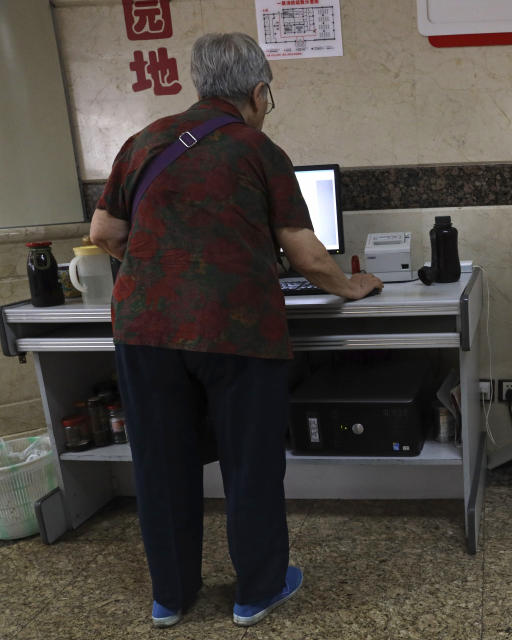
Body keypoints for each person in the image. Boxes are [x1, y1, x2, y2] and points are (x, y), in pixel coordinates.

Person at [89, 32, 382, 628]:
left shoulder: (142, 141)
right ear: (259, 91)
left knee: (160, 464)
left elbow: (104, 235)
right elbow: (306, 255)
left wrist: (163, 269)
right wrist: (353, 286)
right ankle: (257, 592)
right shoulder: (257, 149)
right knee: (248, 464)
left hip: (145, 331)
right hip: (236, 330)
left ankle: (171, 599)